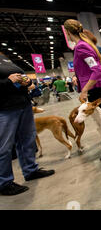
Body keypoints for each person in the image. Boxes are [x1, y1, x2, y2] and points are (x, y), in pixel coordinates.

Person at [64, 19, 101, 163]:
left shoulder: (81, 47)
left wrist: (84, 90)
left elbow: (97, 70)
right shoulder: (85, 45)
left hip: (96, 89)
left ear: (67, 32)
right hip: (98, 87)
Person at [0, 51, 55, 196]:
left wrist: (28, 82)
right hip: (4, 109)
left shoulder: (4, 58)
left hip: (23, 105)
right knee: (4, 147)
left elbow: (21, 77)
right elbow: (7, 82)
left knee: (27, 140)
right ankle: (4, 183)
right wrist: (8, 81)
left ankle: (30, 170)